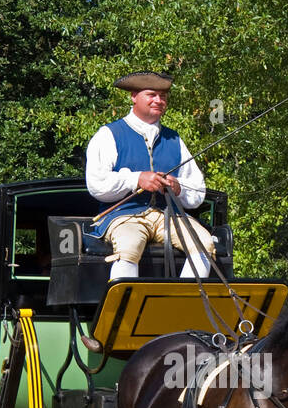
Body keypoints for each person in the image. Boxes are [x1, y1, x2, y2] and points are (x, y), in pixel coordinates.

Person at [85, 71, 216, 280]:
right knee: (129, 246)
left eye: (163, 96)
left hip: (169, 216)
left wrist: (177, 186)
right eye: (152, 95)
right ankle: (125, 311)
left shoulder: (174, 139)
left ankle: (179, 306)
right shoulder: (109, 134)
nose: (159, 100)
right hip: (125, 215)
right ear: (134, 96)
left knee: (204, 244)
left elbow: (197, 190)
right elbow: (96, 184)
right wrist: (136, 179)